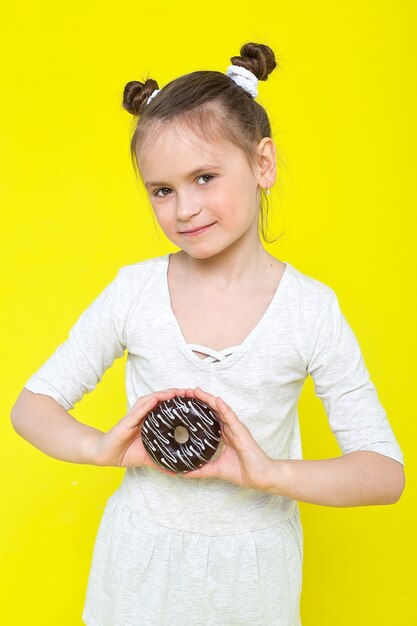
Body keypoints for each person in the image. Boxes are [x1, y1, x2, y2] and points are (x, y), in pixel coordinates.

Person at [11, 42, 405, 626]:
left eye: (204, 177)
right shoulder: (133, 292)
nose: (184, 209)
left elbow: (384, 472)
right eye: (162, 190)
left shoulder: (310, 311)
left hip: (253, 579)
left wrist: (269, 474)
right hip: (136, 570)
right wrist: (100, 449)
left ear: (262, 165)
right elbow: (31, 407)